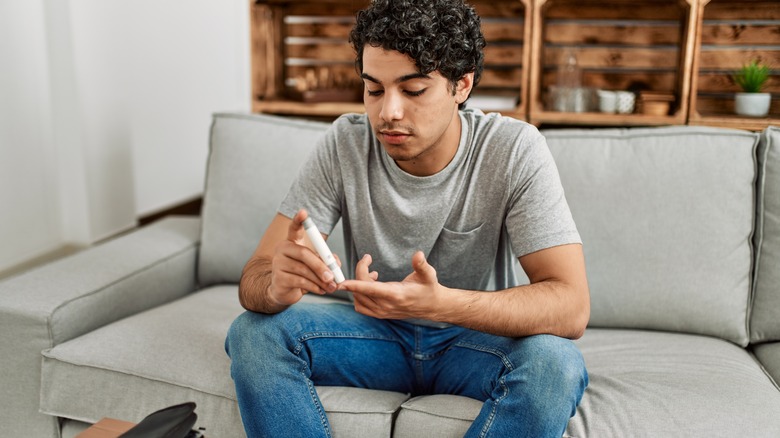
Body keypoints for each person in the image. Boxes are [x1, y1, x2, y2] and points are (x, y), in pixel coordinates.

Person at [225, 0, 590, 436]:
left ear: (462, 85)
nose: (388, 113)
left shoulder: (513, 150)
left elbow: (571, 306)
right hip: (372, 339)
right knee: (253, 334)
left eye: (413, 90)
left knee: (556, 364)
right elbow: (255, 278)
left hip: (467, 340)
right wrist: (277, 286)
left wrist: (442, 304)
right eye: (374, 90)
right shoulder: (345, 142)